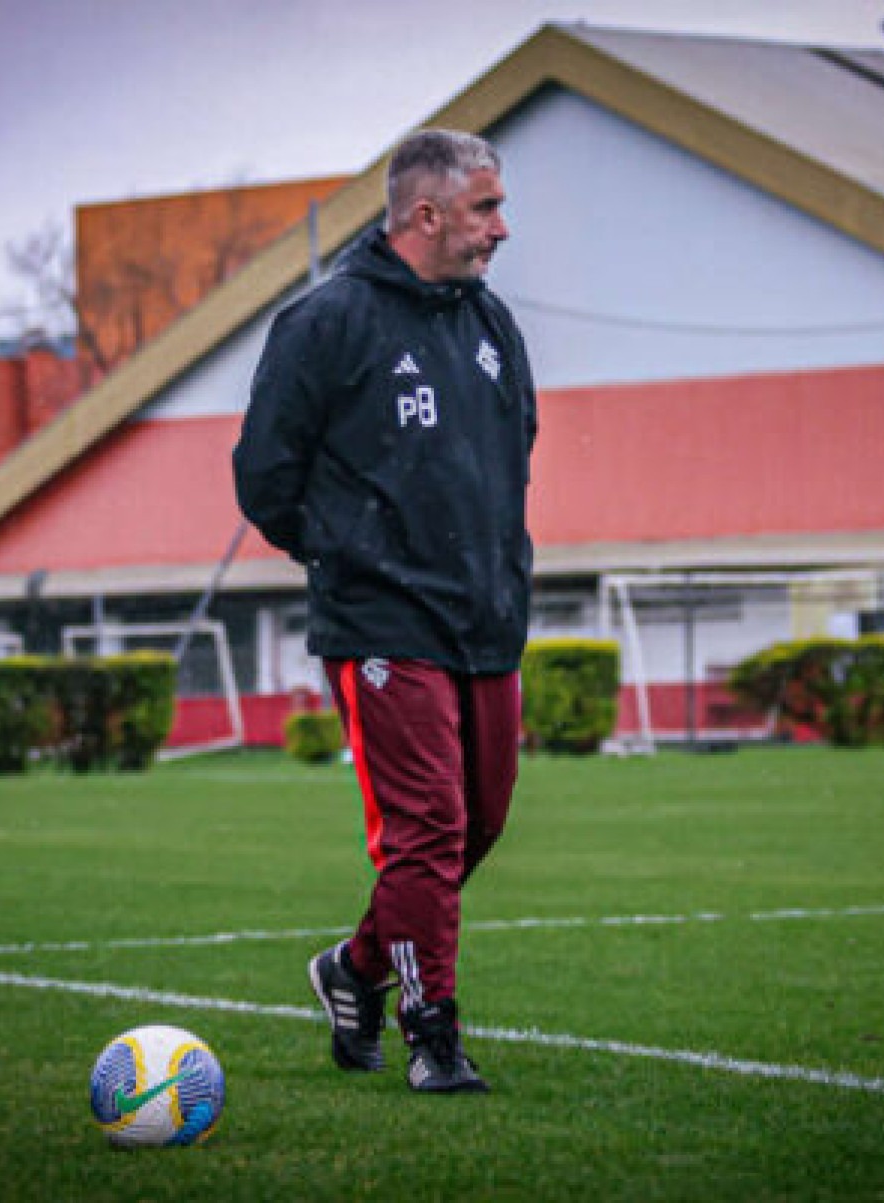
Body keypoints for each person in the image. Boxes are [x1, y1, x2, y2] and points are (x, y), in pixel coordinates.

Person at [232, 128, 536, 1094]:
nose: (501, 228)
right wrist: (348, 558)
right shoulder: (325, 324)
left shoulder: (493, 329)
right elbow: (264, 478)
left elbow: (514, 454)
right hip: (381, 625)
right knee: (426, 832)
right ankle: (432, 1036)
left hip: (485, 622)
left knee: (477, 824)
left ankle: (354, 968)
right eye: (486, 208)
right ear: (426, 214)